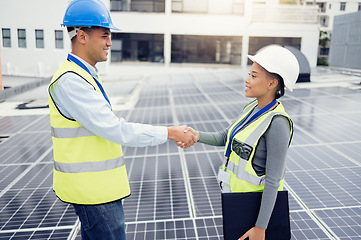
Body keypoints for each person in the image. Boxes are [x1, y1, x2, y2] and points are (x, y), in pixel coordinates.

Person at [48, 0, 195, 239]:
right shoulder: (71, 81)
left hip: (99, 191)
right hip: (93, 194)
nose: (109, 42)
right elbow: (116, 130)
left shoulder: (83, 74)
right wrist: (169, 132)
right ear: (82, 36)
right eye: (105, 35)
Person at [183, 45, 299, 240]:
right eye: (249, 74)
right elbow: (225, 137)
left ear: (272, 83)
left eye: (254, 76)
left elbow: (273, 180)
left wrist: (260, 228)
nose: (247, 80)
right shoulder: (252, 107)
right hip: (238, 202)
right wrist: (197, 135)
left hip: (257, 213)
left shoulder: (278, 123)